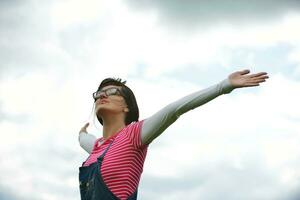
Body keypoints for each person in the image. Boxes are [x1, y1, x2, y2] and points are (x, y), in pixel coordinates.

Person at [78, 69, 269, 200]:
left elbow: (174, 110)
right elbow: (84, 140)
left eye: (111, 92)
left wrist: (224, 85)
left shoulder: (134, 135)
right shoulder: (97, 147)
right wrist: (82, 133)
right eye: (98, 94)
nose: (102, 95)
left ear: (127, 106)